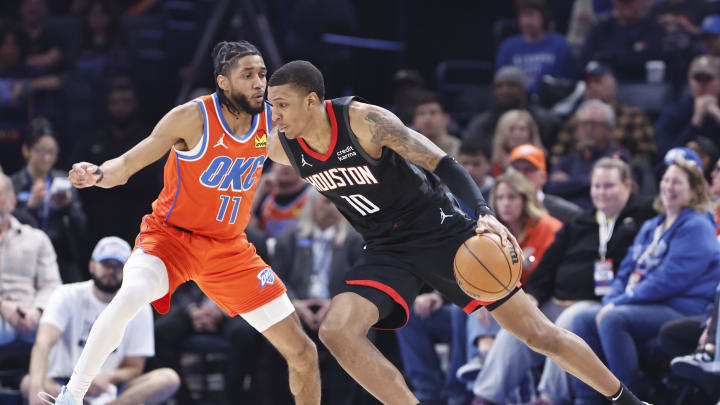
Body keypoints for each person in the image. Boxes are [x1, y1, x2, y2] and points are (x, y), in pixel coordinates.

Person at [266, 60, 651, 405]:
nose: (275, 114)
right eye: (271, 105)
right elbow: (222, 144)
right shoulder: (281, 148)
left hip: (440, 230)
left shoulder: (364, 122)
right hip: (386, 246)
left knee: (536, 334)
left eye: (282, 104)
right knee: (337, 331)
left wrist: (484, 213)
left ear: (313, 101)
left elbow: (443, 162)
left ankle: (628, 401)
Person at [45, 41, 321, 405]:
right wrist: (95, 173)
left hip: (228, 248)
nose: (259, 83)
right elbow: (125, 166)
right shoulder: (192, 117)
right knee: (130, 297)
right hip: (171, 239)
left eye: (263, 75)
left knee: (303, 352)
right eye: (248, 75)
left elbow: (310, 146)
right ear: (223, 82)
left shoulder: (271, 118)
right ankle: (71, 397)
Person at [471, 157, 655, 405]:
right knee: (519, 323)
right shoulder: (580, 221)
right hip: (558, 299)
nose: (601, 192)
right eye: (597, 186)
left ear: (627, 185)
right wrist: (532, 294)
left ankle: (548, 397)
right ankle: (486, 396)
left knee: (568, 324)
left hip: (601, 302)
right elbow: (549, 263)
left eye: (608, 186)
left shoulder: (644, 216)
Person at [571, 156, 720, 405]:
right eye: (666, 180)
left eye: (677, 182)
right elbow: (626, 271)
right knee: (582, 320)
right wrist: (612, 299)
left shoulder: (697, 226)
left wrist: (619, 304)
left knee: (612, 318)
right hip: (642, 304)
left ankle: (630, 398)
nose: (669, 186)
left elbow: (669, 280)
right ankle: (586, 399)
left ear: (694, 190)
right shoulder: (653, 225)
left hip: (680, 308)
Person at [22, 236, 180, 405]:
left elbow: (135, 366)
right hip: (63, 382)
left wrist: (110, 376)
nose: (111, 271)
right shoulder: (66, 294)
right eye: (106, 264)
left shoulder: (141, 307)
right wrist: (36, 390)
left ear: (129, 270)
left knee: (167, 379)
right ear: (92, 265)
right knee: (29, 383)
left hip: (109, 387)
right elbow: (43, 344)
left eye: (118, 266)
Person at [11, 117, 88, 283]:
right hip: (21, 255)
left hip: (61, 256)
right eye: (40, 151)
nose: (46, 158)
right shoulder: (12, 184)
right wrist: (29, 206)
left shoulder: (66, 181)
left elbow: (82, 226)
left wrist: (68, 206)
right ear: (26, 151)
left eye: (51, 152)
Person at [0, 172, 62, 353]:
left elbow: (51, 284)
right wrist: (3, 306)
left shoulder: (37, 239)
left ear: (12, 201)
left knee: (62, 324)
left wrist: (37, 311)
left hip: (32, 316)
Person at [496, 0, 571, 93]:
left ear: (543, 16)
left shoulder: (559, 44)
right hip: (517, 102)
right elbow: (501, 82)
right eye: (522, 16)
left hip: (549, 102)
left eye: (530, 15)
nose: (525, 21)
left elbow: (564, 82)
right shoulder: (508, 47)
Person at [508, 144, 582, 223]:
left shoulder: (567, 213)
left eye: (528, 169)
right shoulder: (497, 211)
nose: (521, 175)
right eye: (516, 169)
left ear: (543, 177)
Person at [490, 109, 545, 177]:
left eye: (522, 129)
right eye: (511, 129)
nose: (517, 134)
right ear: (502, 133)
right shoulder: (494, 165)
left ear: (530, 133)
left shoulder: (542, 162)